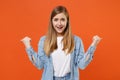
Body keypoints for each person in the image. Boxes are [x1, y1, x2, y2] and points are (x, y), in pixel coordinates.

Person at [21, 5, 102, 80]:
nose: (59, 23)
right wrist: (28, 46)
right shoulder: (44, 40)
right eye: (56, 20)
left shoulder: (76, 41)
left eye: (62, 19)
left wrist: (94, 45)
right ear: (51, 21)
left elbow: (82, 65)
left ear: (67, 21)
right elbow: (40, 65)